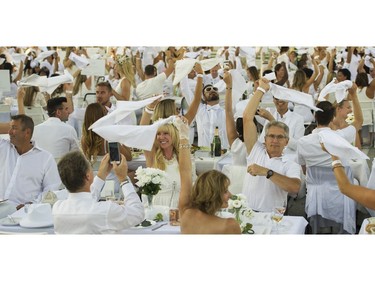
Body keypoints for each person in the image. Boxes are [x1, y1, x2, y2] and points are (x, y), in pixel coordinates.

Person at [242, 78, 301, 212]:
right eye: (271, 136)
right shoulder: (255, 150)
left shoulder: (290, 163)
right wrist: (261, 89)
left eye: (280, 137)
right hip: (247, 213)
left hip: (273, 218)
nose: (275, 140)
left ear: (286, 141)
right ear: (265, 138)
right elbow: (247, 117)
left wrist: (267, 172)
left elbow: (295, 188)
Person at [176, 116, 241, 234]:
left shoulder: (186, 213)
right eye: (225, 191)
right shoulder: (229, 225)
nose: (231, 195)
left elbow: (185, 172)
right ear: (213, 194)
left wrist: (183, 136)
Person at [53, 151, 144, 234]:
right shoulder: (106, 210)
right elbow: (138, 213)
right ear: (88, 176)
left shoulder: (57, 209)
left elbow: (86, 201)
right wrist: (123, 179)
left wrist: (101, 176)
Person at [0, 114, 61, 209]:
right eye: (10, 128)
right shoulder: (3, 147)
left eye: (14, 128)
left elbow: (51, 190)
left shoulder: (45, 158)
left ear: (27, 132)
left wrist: (31, 205)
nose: (9, 132)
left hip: (24, 213)